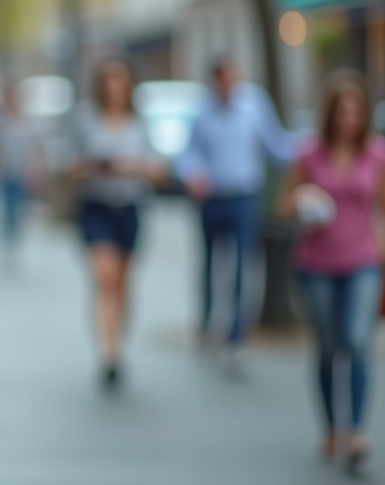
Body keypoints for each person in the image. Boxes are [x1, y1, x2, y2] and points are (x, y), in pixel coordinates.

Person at [278, 70, 384, 472]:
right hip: (316, 262)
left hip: (362, 261)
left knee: (357, 343)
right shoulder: (309, 153)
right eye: (342, 111)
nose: (349, 118)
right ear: (330, 114)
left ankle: (356, 430)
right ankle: (330, 428)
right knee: (327, 348)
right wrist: (302, 200)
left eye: (356, 110)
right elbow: (283, 204)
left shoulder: (377, 154)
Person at [177, 58, 296, 365]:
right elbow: (189, 152)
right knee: (210, 265)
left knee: (243, 266)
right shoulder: (202, 110)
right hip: (212, 197)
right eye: (224, 80)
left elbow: (277, 146)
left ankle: (235, 336)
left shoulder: (255, 104)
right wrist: (193, 173)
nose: (229, 85)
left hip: (244, 196)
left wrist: (309, 153)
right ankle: (207, 326)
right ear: (215, 81)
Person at [69, 58, 164, 389]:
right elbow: (68, 165)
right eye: (108, 81)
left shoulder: (139, 121)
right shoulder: (85, 118)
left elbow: (159, 168)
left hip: (130, 206)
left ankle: (119, 346)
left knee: (123, 283)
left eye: (119, 81)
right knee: (104, 279)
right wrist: (96, 165)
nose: (114, 88)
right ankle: (107, 355)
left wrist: (134, 165)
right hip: (96, 206)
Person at [0, 80, 43, 262]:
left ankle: (15, 241)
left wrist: (35, 171)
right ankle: (6, 241)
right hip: (4, 171)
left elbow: (34, 149)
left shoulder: (28, 122)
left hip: (22, 172)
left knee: (18, 209)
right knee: (6, 208)